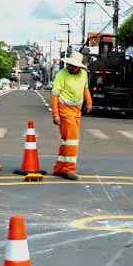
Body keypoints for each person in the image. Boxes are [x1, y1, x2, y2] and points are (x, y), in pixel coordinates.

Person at [50, 51, 93, 180]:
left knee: (67, 141)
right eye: (69, 65)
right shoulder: (61, 75)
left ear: (79, 67)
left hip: (77, 112)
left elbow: (85, 89)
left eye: (73, 66)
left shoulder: (84, 74)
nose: (70, 67)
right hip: (64, 110)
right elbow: (54, 95)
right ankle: (69, 169)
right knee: (73, 140)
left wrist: (89, 102)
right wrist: (55, 115)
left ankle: (59, 168)